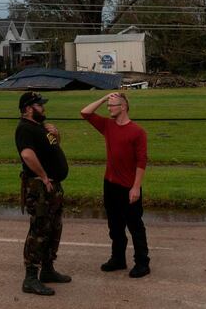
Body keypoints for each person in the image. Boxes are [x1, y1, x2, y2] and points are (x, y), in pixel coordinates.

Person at [80, 92, 150, 278]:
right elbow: (85, 113)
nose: (109, 108)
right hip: (109, 184)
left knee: (135, 226)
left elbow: (141, 161)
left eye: (113, 105)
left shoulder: (137, 132)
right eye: (108, 106)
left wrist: (136, 187)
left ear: (124, 107)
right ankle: (118, 258)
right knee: (115, 225)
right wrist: (103, 98)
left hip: (128, 186)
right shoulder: (107, 125)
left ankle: (142, 263)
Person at [15, 91, 71, 296]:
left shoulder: (39, 127)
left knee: (54, 228)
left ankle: (47, 270)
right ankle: (30, 278)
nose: (43, 108)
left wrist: (56, 135)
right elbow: (27, 155)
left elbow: (53, 148)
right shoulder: (25, 129)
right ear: (29, 109)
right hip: (40, 188)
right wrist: (44, 177)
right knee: (39, 230)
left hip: (52, 186)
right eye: (39, 105)